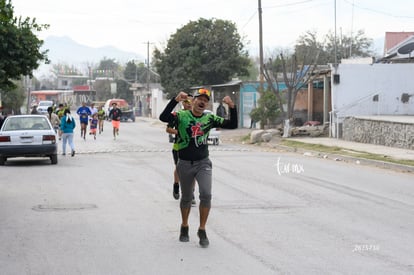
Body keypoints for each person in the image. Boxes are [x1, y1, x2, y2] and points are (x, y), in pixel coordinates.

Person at [159, 88, 237, 248]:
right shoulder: (181, 116)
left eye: (205, 100)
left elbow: (232, 124)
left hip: (203, 162)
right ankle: (185, 225)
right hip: (185, 163)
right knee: (186, 198)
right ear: (193, 101)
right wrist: (175, 100)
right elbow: (163, 117)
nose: (202, 101)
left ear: (206, 104)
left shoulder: (210, 118)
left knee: (206, 195)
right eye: (199, 98)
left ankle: (202, 229)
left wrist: (232, 107)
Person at [165, 95, 196, 204]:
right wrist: (179, 132)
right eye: (186, 102)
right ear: (183, 103)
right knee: (179, 169)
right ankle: (176, 185)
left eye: (191, 102)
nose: (189, 104)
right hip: (179, 147)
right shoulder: (177, 115)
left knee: (194, 171)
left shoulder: (197, 116)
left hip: (193, 147)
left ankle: (191, 193)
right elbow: (168, 129)